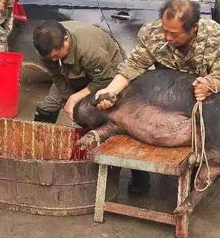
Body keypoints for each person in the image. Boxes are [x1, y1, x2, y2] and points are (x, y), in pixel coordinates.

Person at [95, 0, 220, 217]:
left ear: (194, 29)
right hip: (172, 93)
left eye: (175, 34)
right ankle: (145, 177)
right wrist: (111, 91)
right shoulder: (154, 33)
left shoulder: (215, 37)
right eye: (165, 31)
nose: (168, 38)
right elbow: (133, 66)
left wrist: (211, 84)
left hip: (217, 94)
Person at [33, 20, 150, 194]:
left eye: (57, 55)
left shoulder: (90, 49)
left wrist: (76, 99)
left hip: (108, 74)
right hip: (71, 74)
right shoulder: (48, 49)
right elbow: (57, 77)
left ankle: (141, 178)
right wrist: (68, 100)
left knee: (117, 118)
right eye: (50, 58)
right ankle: (39, 158)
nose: (53, 59)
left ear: (66, 40)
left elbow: (103, 80)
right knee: (46, 107)